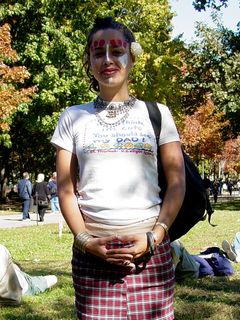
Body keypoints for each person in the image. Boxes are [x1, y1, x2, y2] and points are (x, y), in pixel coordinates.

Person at [51, 17, 185, 320]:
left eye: (116, 51)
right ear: (89, 61)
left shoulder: (158, 114)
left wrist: (154, 237)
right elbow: (66, 190)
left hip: (151, 257)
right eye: (98, 53)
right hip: (93, 260)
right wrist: (86, 241)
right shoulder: (72, 118)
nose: (108, 60)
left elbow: (176, 183)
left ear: (132, 56)